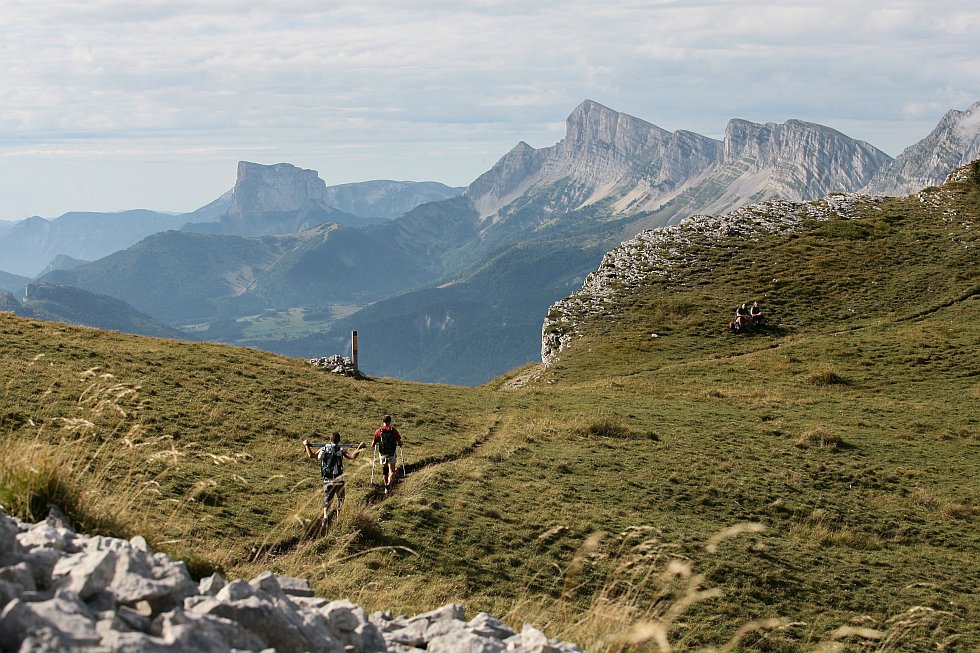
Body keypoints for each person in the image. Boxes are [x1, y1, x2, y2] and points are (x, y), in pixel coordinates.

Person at [303, 433, 365, 527]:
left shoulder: (324, 448)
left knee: (327, 499)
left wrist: (306, 445)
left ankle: (325, 516)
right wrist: (359, 448)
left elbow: (311, 455)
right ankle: (338, 518)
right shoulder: (340, 449)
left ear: (330, 439)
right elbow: (352, 457)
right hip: (339, 479)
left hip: (327, 480)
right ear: (339, 440)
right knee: (340, 499)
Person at [372, 415, 403, 495]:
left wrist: (376, 443)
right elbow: (400, 442)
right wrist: (400, 444)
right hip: (391, 453)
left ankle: (386, 487)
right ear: (390, 421)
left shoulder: (379, 431)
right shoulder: (393, 430)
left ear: (383, 421)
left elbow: (373, 443)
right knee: (392, 471)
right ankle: (389, 484)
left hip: (383, 453)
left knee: (385, 470)